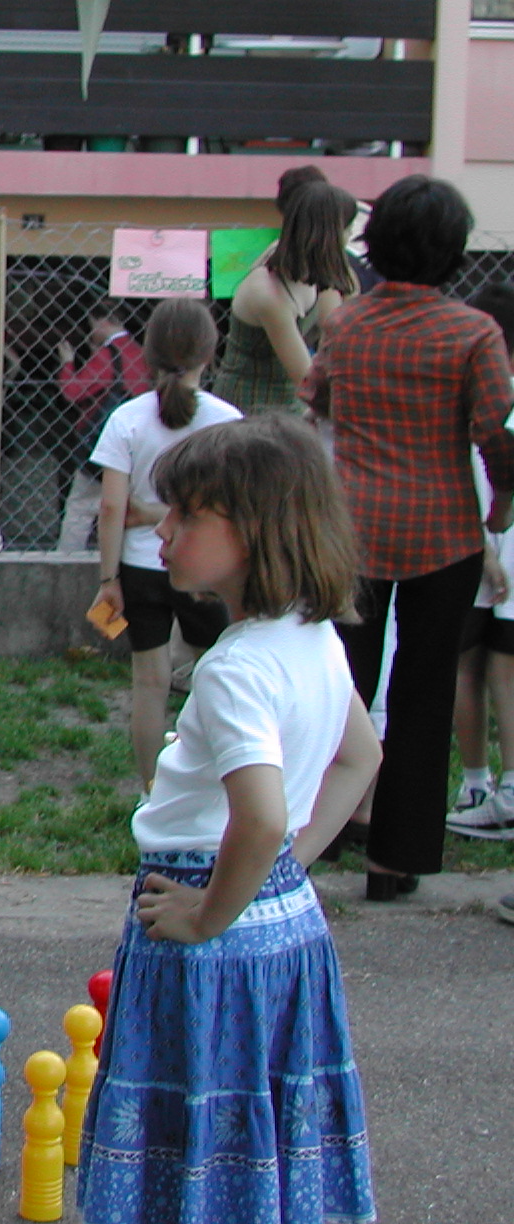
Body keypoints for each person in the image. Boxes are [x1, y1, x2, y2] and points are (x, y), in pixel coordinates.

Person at [76, 415, 380, 1224]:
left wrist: (211, 911)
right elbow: (361, 758)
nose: (163, 531)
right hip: (282, 922)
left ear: (256, 530)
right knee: (259, 1127)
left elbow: (262, 813)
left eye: (187, 515)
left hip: (207, 933)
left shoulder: (234, 670)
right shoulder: (313, 637)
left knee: (195, 1133)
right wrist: (282, 873)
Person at [305, 176, 514, 900]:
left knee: (338, 687)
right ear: (453, 250)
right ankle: (396, 860)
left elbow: (317, 398)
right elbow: (496, 431)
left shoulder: (348, 324)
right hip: (444, 532)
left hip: (352, 530)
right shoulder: (473, 333)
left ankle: (310, 840)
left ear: (378, 242)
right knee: (425, 692)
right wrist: (501, 507)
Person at [90, 299, 242, 786]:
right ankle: (218, 780)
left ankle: (152, 792)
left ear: (149, 353)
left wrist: (109, 578)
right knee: (218, 678)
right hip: (206, 569)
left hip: (140, 567)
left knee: (149, 684)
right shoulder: (227, 421)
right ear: (210, 353)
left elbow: (111, 508)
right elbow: (232, 506)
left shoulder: (126, 418)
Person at [446, 282, 514, 839]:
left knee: (473, 667)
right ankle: (498, 788)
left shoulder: (482, 395)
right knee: (492, 668)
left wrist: (486, 547)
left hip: (483, 548)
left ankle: (483, 785)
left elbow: (476, 476)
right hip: (491, 548)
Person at [213, 169, 357, 414]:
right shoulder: (269, 291)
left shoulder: (313, 270)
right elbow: (306, 379)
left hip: (288, 405)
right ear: (329, 234)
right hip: (247, 409)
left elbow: (336, 330)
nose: (351, 236)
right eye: (347, 229)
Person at [56, 299, 150, 549]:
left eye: (91, 325)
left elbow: (73, 391)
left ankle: (68, 558)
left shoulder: (109, 354)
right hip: (136, 443)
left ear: (102, 321)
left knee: (80, 506)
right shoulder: (141, 352)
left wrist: (67, 363)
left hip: (101, 444)